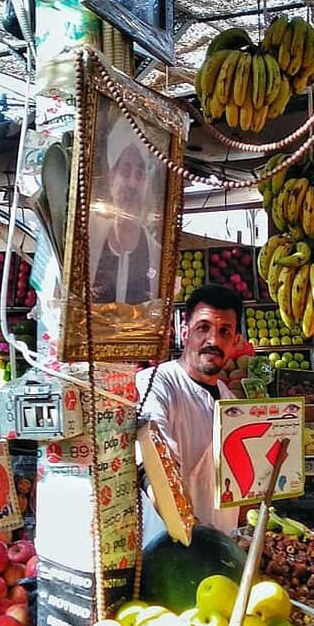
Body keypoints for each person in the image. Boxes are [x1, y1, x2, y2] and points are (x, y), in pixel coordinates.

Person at [135, 284, 242, 542]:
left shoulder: (230, 401)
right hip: (168, 548)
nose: (213, 341)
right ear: (184, 333)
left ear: (235, 342)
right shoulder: (155, 383)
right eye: (203, 328)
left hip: (222, 548)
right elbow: (154, 458)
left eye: (224, 332)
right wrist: (181, 525)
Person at [89, 115, 160, 305]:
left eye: (140, 173)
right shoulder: (90, 243)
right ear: (112, 179)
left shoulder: (156, 253)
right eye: (126, 171)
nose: (133, 183)